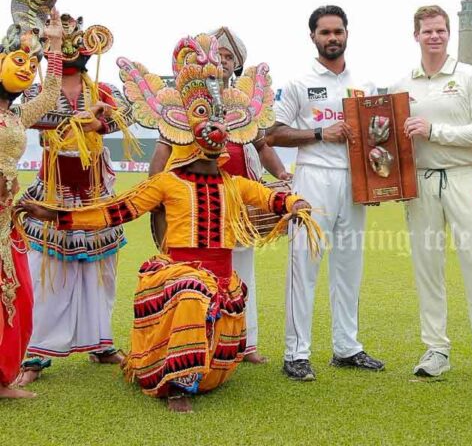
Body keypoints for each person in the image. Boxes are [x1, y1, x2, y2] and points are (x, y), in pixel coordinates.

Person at [20, 34, 315, 412]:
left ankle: (198, 365)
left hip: (222, 282)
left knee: (225, 327)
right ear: (184, 131)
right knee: (190, 291)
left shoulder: (234, 184)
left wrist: (295, 202)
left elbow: (270, 197)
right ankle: (174, 383)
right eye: (205, 123)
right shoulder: (167, 183)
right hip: (181, 279)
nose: (216, 134)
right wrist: (57, 216)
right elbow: (115, 211)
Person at [148, 26, 290, 365]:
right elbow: (163, 150)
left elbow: (262, 147)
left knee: (241, 273)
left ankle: (246, 344)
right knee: (196, 276)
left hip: (240, 204)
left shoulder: (243, 106)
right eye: (218, 56)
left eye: (229, 58)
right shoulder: (185, 103)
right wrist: (155, 188)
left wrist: (282, 174)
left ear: (237, 65)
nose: (223, 62)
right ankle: (199, 344)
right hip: (195, 207)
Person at [388, 5, 472, 381]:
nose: (435, 36)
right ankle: (436, 349)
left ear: (449, 33)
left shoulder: (471, 78)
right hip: (420, 181)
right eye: (428, 31)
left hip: (463, 178)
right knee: (427, 266)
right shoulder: (401, 85)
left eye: (441, 30)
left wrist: (434, 131)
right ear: (416, 36)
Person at [18, 4, 135, 385]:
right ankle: (35, 353)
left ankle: (101, 342)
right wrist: (78, 120)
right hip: (53, 189)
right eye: (62, 39)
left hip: (96, 190)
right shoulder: (38, 88)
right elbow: (29, 118)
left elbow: (129, 116)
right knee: (46, 273)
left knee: (99, 273)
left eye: (75, 39)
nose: (71, 47)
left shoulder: (103, 88)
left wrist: (101, 119)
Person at [269, 5, 383, 381]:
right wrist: (320, 133)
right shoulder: (300, 82)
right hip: (314, 177)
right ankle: (296, 353)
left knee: (349, 268)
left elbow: (377, 133)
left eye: (338, 31)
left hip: (355, 181)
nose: (332, 38)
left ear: (347, 34)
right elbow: (274, 133)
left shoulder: (364, 82)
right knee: (305, 266)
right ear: (313, 37)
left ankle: (347, 347)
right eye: (324, 32)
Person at [0, 0, 62, 399]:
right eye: (19, 59)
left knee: (17, 298)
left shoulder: (19, 114)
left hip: (8, 222)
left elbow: (53, 95)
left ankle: (4, 379)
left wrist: (54, 46)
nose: (27, 67)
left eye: (32, 61)